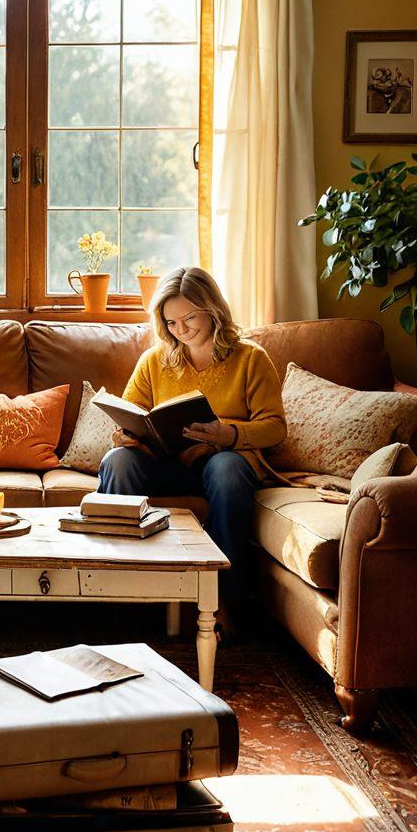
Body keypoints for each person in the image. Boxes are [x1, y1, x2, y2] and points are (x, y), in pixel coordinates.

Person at [96, 266, 286, 633]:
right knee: (117, 461)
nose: (180, 330)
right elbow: (131, 414)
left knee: (226, 469)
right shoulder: (155, 360)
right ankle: (116, 592)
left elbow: (275, 427)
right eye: (170, 322)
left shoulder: (251, 358)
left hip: (222, 464)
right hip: (165, 463)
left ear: (212, 310)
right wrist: (126, 435)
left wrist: (227, 434)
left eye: (189, 318)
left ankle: (222, 600)